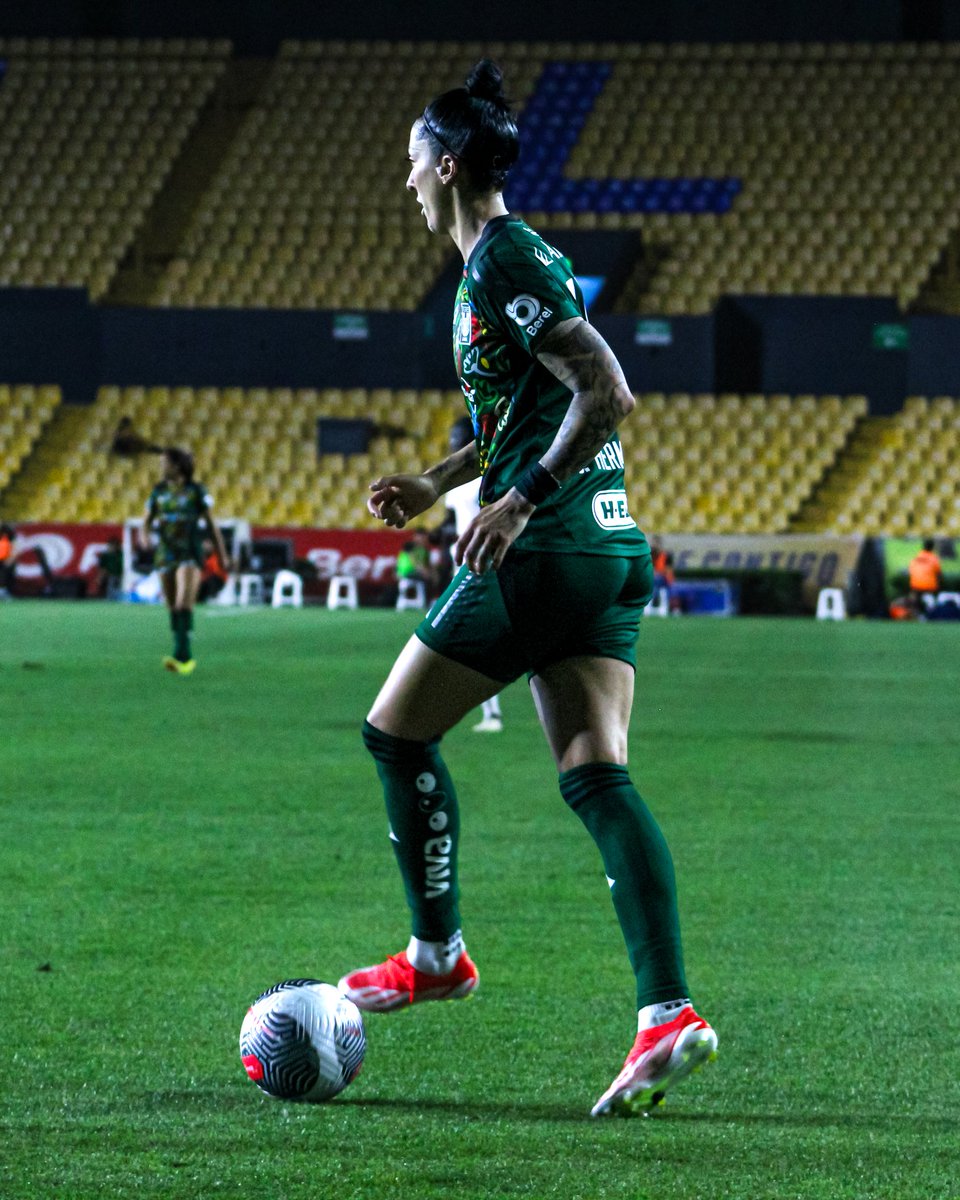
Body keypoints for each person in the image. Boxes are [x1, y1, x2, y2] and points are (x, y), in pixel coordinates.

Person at [338, 61, 717, 1119]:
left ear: (447, 162)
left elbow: (607, 389)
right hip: (605, 550)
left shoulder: (500, 255)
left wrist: (512, 503)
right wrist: (442, 480)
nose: (406, 180)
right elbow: (523, 409)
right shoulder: (510, 260)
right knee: (597, 775)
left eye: (414, 160)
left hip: (540, 549)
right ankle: (666, 1013)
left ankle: (436, 953)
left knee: (395, 736)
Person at [138, 448, 229, 674]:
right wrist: (144, 537)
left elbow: (211, 525)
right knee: (171, 607)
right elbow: (146, 521)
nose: (161, 467)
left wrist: (222, 554)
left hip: (189, 551)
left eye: (164, 463)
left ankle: (184, 657)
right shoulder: (158, 492)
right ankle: (180, 645)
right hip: (165, 552)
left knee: (182, 604)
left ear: (177, 466)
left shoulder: (196, 491)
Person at [445, 416, 505, 732]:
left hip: (482, 564)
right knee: (462, 638)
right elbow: (449, 523)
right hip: (463, 565)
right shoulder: (457, 481)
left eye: (458, 437)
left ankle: (490, 714)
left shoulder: (487, 475)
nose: (453, 442)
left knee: (462, 638)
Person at [908, 538, 942, 610]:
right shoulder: (934, 558)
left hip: (915, 585)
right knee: (933, 596)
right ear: (933, 547)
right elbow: (938, 574)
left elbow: (911, 571)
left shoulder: (916, 557)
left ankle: (915, 611)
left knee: (915, 596)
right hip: (930, 586)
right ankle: (933, 610)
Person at [198, 538, 229, 603]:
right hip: (206, 579)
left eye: (208, 545)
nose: (206, 547)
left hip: (218, 579)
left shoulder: (218, 555)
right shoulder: (202, 557)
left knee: (212, 579)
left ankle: (213, 597)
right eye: (204, 545)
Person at [0, 522, 19, 598]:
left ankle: (4, 590)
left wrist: (11, 557)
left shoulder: (7, 530)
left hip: (6, 557)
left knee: (7, 571)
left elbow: (14, 545)